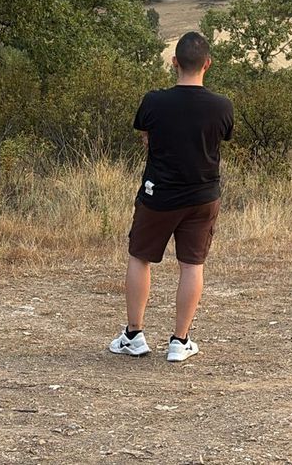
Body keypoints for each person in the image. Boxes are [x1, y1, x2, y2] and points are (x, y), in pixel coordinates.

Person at [108, 31, 234, 361]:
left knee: (140, 257)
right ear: (207, 64)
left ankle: (134, 335)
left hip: (158, 194)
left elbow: (148, 137)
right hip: (203, 196)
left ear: (174, 62)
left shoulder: (153, 101)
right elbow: (217, 139)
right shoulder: (222, 106)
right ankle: (179, 341)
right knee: (192, 265)